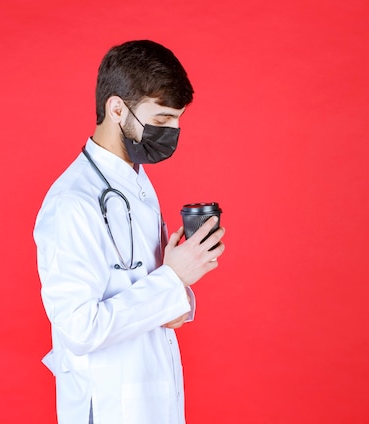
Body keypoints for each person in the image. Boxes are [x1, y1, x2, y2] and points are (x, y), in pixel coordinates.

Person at [33, 40, 226, 424]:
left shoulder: (134, 182)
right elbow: (80, 329)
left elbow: (140, 287)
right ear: (116, 108)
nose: (173, 132)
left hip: (152, 396)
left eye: (178, 120)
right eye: (162, 120)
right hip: (108, 406)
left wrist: (180, 295)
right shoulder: (72, 202)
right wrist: (172, 281)